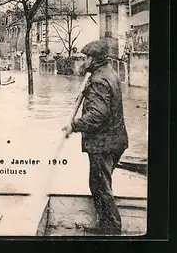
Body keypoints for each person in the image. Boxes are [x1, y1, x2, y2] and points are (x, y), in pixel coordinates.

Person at [62, 39, 128, 235]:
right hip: (115, 140)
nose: (84, 61)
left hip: (103, 143)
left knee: (100, 186)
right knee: (102, 184)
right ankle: (106, 225)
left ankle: (112, 229)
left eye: (86, 57)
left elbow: (98, 115)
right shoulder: (107, 73)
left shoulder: (99, 80)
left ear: (94, 59)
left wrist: (73, 126)